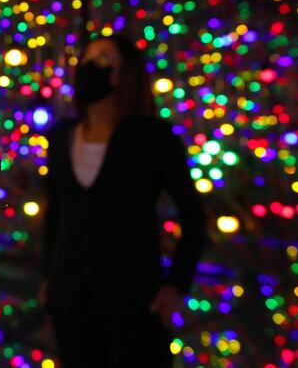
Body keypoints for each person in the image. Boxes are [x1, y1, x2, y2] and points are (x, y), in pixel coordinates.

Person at [40, 35, 206, 367]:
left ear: (126, 73)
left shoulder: (153, 137)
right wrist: (50, 278)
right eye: (87, 58)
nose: (91, 66)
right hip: (70, 297)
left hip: (133, 296)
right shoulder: (60, 137)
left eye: (104, 59)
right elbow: (56, 213)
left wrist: (176, 284)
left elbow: (193, 214)